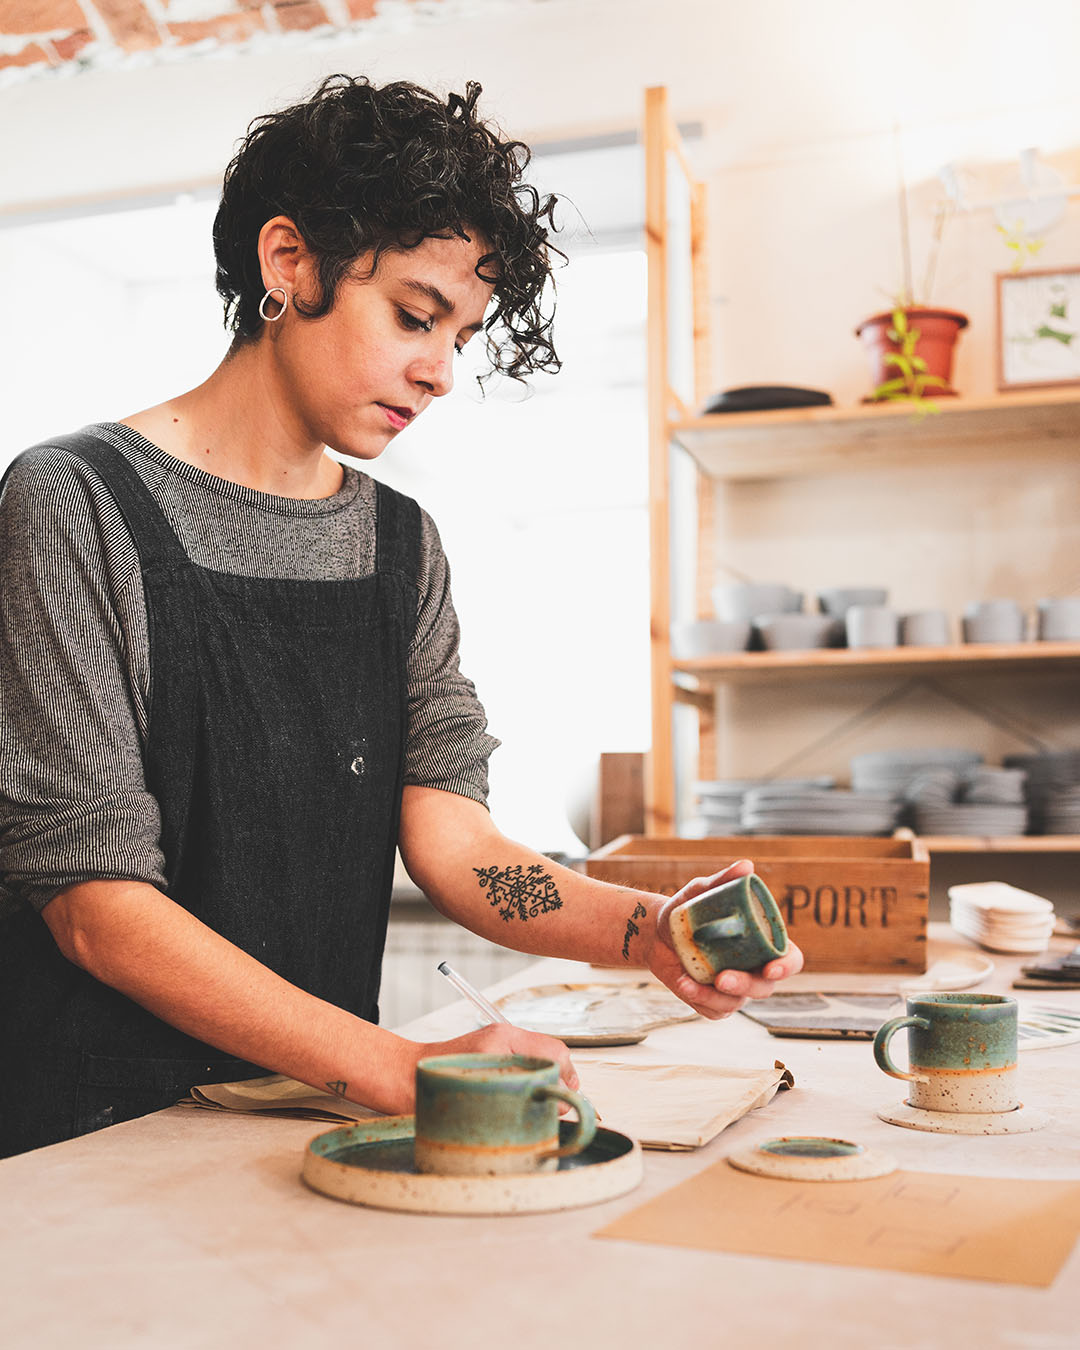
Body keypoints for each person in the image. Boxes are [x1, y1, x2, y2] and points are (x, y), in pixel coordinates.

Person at [0, 74, 803, 1158]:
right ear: (288, 264)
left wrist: (645, 930)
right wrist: (396, 1067)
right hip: (94, 1131)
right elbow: (93, 901)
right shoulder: (72, 502)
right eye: (415, 316)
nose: (438, 372)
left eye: (461, 335)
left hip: (315, 1118)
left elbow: (455, 845)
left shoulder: (400, 546)